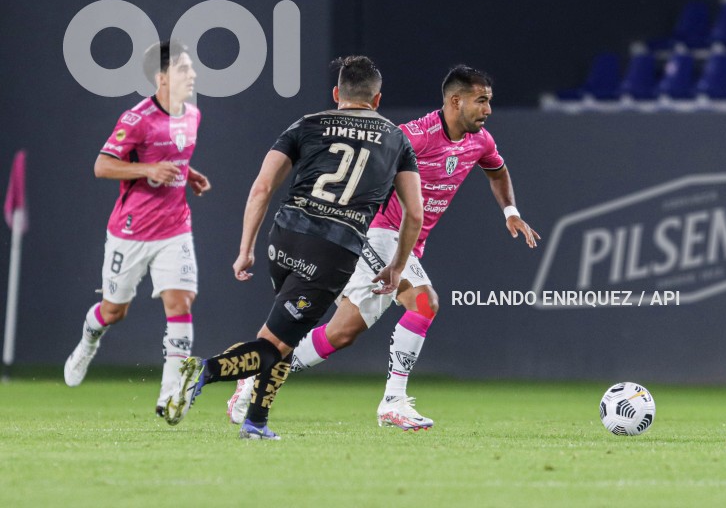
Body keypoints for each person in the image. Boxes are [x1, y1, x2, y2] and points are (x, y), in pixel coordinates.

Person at [225, 65, 540, 431]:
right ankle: (393, 402)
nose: (488, 109)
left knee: (341, 333)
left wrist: (511, 212)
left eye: (489, 101)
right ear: (456, 101)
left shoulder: (480, 141)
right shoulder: (413, 137)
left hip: (407, 242)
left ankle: (255, 372)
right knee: (424, 302)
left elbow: (497, 170)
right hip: (378, 233)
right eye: (481, 101)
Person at [163, 55, 423, 440]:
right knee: (276, 343)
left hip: (284, 236)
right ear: (377, 99)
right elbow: (414, 213)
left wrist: (246, 249)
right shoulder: (396, 139)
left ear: (336, 94)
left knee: (287, 334)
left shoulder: (307, 124)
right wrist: (398, 266)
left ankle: (256, 422)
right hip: (332, 248)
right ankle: (204, 370)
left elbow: (262, 187)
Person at [63, 39, 211, 417]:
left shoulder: (192, 115)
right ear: (162, 78)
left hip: (175, 227)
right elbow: (102, 166)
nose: (192, 74)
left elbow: (171, 156)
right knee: (114, 311)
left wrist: (188, 174)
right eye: (183, 68)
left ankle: (169, 396)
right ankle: (88, 342)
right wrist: (148, 169)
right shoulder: (137, 119)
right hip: (130, 231)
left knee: (180, 303)